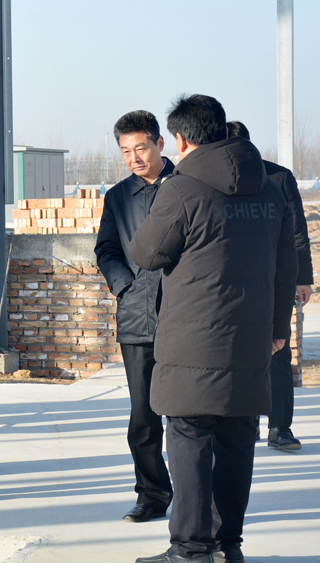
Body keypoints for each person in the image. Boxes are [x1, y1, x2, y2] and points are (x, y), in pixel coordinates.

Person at [129, 95, 296, 563]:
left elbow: (146, 254)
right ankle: (227, 546)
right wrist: (278, 327)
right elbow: (286, 265)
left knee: (189, 440)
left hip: (193, 343)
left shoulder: (181, 190)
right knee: (238, 441)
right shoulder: (271, 190)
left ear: (181, 140)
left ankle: (190, 548)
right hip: (251, 340)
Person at [94, 110, 174, 523]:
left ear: (160, 143)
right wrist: (124, 286)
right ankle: (152, 494)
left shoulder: (186, 187)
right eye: (126, 151)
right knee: (143, 416)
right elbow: (106, 249)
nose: (134, 158)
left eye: (141, 148)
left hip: (183, 316)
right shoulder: (118, 196)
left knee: (189, 414)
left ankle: (200, 494)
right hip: (136, 319)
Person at [228, 120, 310, 451]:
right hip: (230, 282)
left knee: (278, 351)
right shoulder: (213, 180)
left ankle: (280, 427)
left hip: (275, 280)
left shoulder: (278, 177)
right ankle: (242, 424)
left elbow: (297, 230)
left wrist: (303, 278)